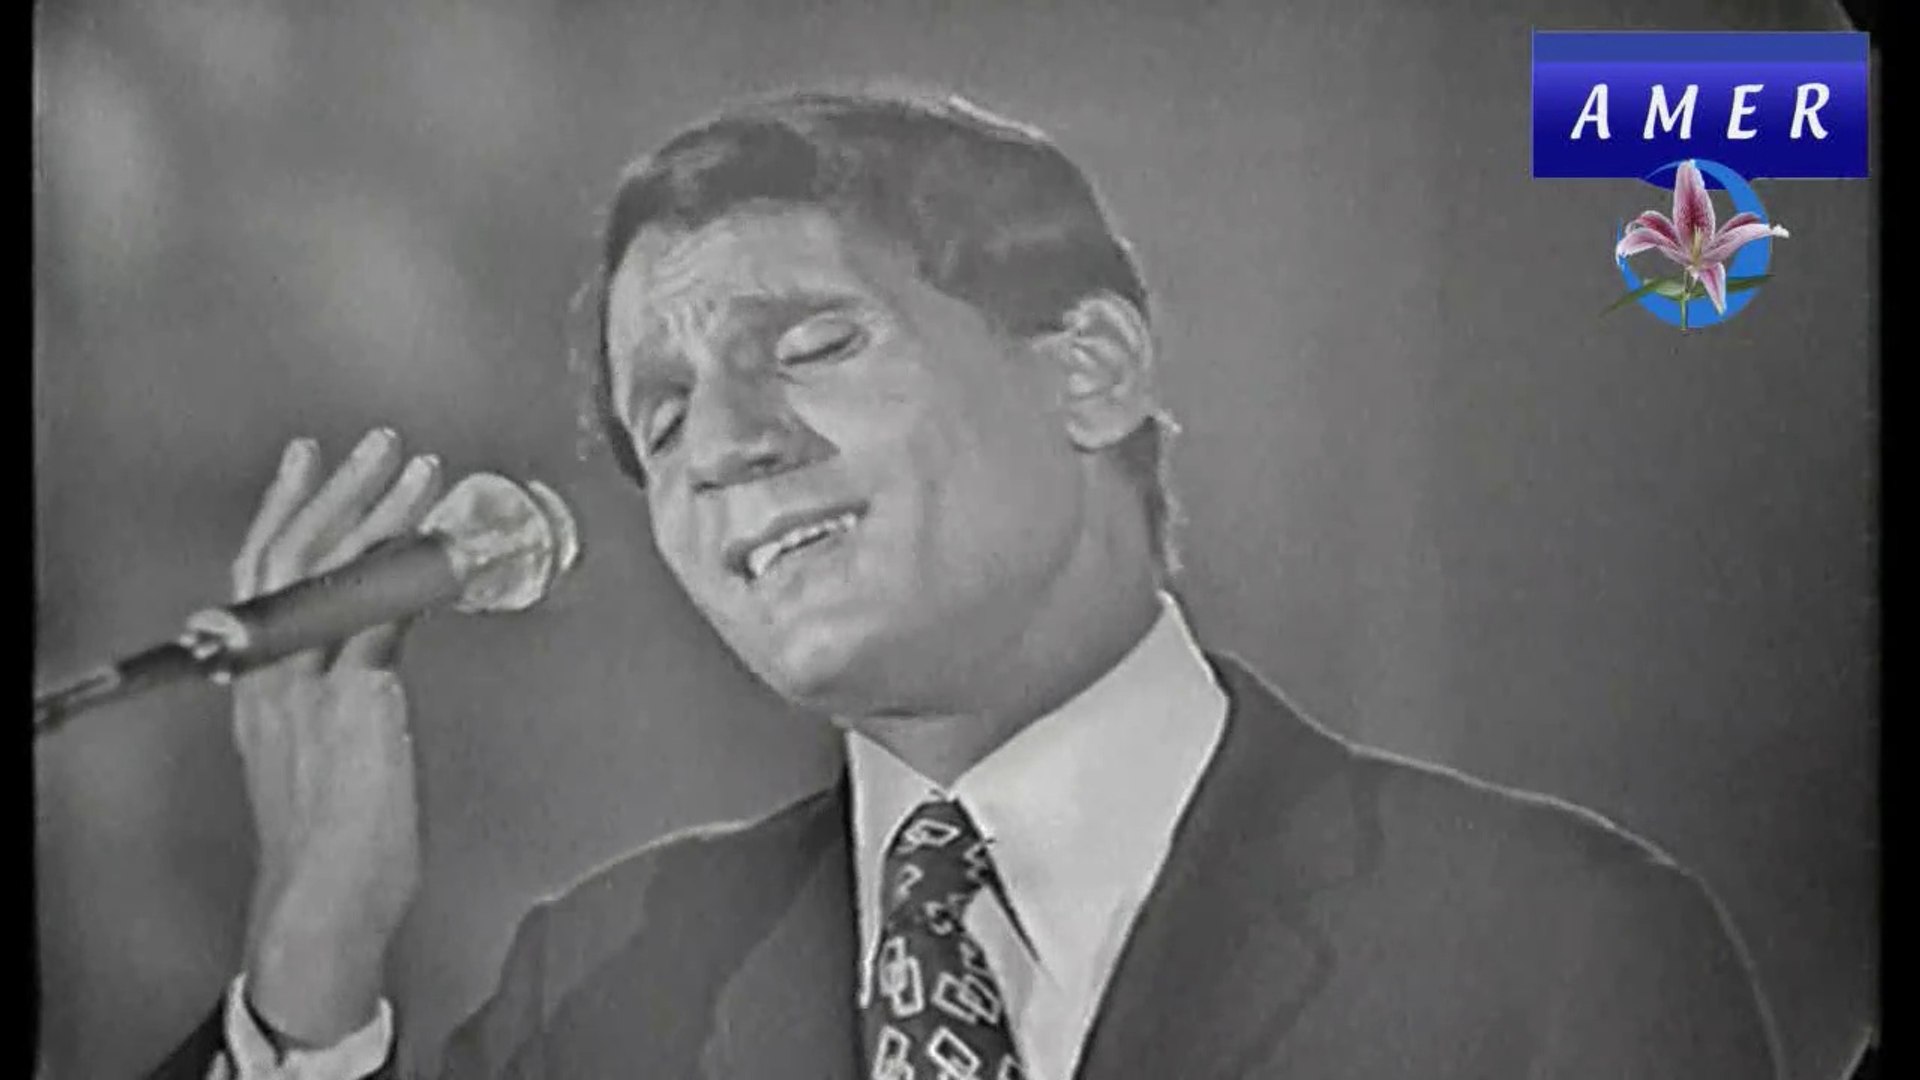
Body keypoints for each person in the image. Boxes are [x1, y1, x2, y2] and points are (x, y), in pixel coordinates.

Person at [150, 89, 1782, 1079]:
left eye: (811, 343)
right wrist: (309, 983)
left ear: (1090, 371)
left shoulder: (1550, 950)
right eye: (662, 418)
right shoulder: (611, 978)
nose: (723, 447)